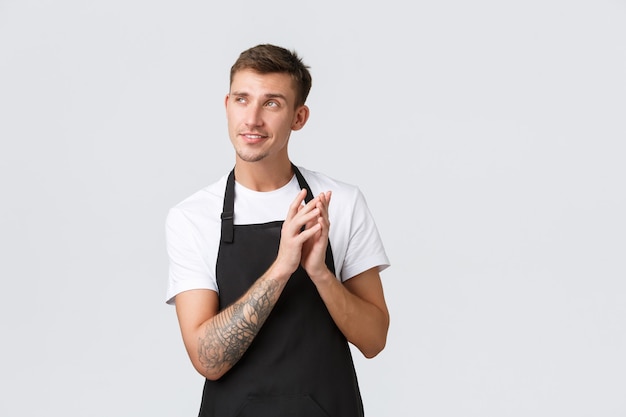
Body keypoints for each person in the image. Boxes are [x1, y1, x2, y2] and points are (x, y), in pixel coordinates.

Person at [165, 43, 390, 417]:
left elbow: (374, 340)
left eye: (271, 103)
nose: (252, 119)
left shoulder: (342, 203)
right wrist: (283, 268)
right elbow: (207, 359)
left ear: (298, 117)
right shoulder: (192, 217)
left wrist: (320, 273)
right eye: (242, 99)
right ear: (226, 105)